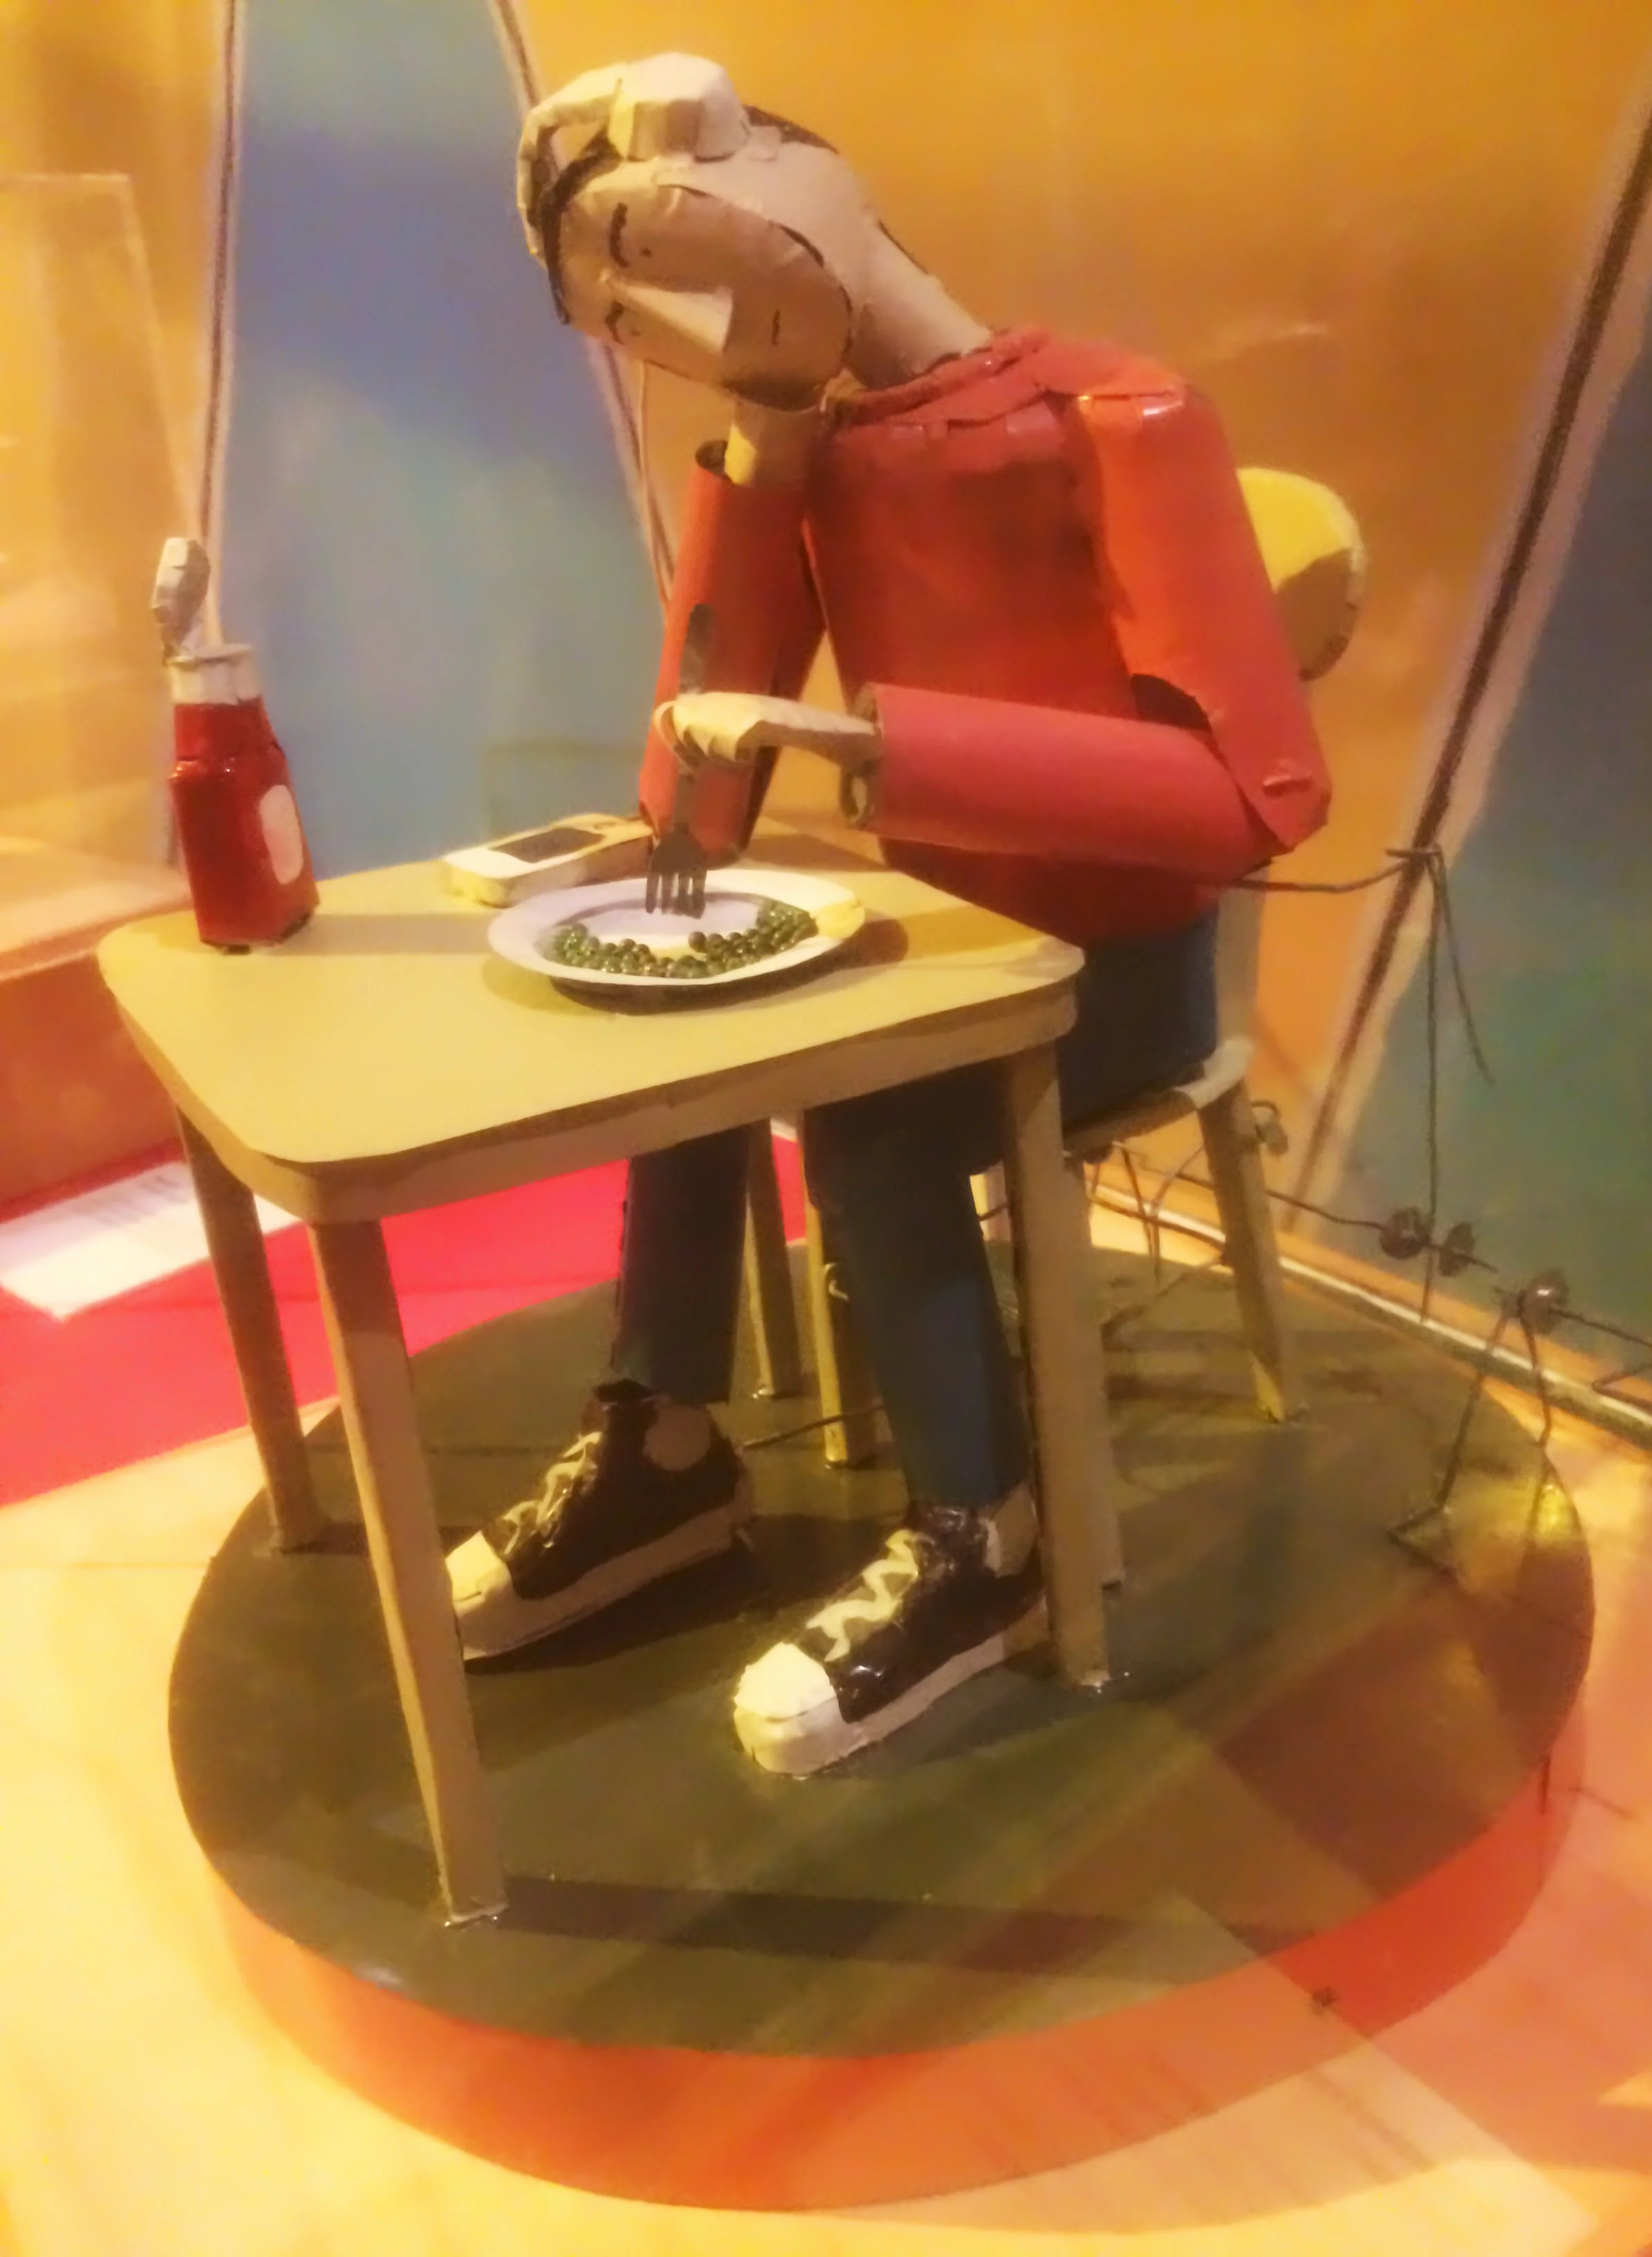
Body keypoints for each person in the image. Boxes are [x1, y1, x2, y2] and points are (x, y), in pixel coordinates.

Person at [446, 53, 1330, 1776]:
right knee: (685, 1022)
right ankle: (665, 1440)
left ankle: (987, 1535)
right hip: (941, 942)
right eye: (621, 315)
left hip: (1115, 965)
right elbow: (696, 801)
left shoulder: (1125, 416)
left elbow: (1254, 799)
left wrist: (875, 746)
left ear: (793, 181)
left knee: (871, 1125)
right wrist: (763, 471)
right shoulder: (822, 461)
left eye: (663, 255)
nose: (671, 323)